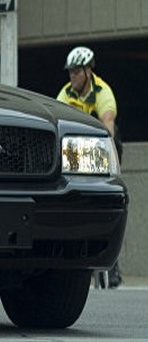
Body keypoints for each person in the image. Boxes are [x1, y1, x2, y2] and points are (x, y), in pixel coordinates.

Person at [57, 46, 122, 288]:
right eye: (70, 72)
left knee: (107, 205)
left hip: (101, 149)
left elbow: (108, 125)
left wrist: (111, 169)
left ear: (88, 71)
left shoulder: (103, 92)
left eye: (76, 71)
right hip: (74, 152)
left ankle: (112, 269)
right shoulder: (65, 94)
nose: (72, 76)